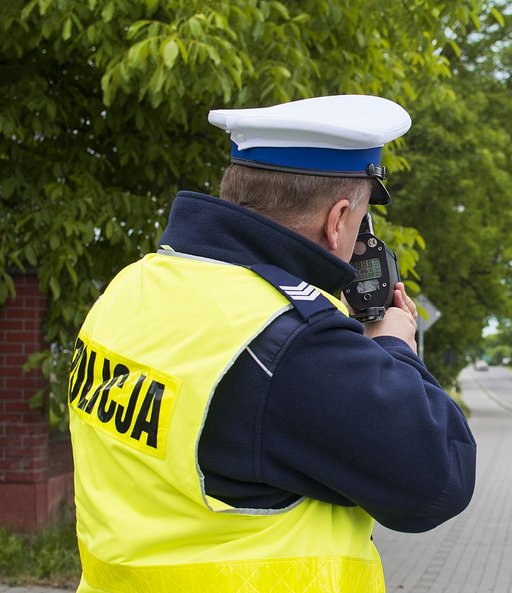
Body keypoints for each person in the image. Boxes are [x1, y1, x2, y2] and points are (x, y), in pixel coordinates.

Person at [67, 95, 476, 593]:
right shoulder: (289, 342)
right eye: (363, 216)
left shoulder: (134, 286)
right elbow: (438, 478)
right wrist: (393, 348)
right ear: (339, 218)